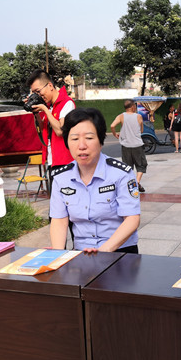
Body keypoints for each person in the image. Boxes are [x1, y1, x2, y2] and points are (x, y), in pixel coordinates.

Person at [50, 107, 141, 253]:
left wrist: (103, 252)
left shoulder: (121, 173)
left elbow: (132, 218)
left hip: (119, 251)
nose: (81, 146)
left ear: (100, 140)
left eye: (89, 138)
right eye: (74, 139)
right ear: (67, 142)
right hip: (81, 252)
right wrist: (58, 255)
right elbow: (59, 220)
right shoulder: (61, 178)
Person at [26, 69, 75, 180]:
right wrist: (36, 112)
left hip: (65, 162)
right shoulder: (50, 106)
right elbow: (43, 129)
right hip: (53, 161)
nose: (38, 95)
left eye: (38, 91)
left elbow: (60, 131)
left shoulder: (67, 103)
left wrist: (45, 109)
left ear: (49, 85)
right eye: (34, 93)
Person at [110, 99, 147, 193]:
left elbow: (112, 126)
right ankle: (137, 182)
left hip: (126, 145)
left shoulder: (121, 116)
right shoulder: (138, 116)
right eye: (135, 106)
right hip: (137, 145)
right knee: (141, 165)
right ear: (132, 107)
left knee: (127, 167)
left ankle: (131, 183)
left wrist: (115, 134)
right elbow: (142, 130)